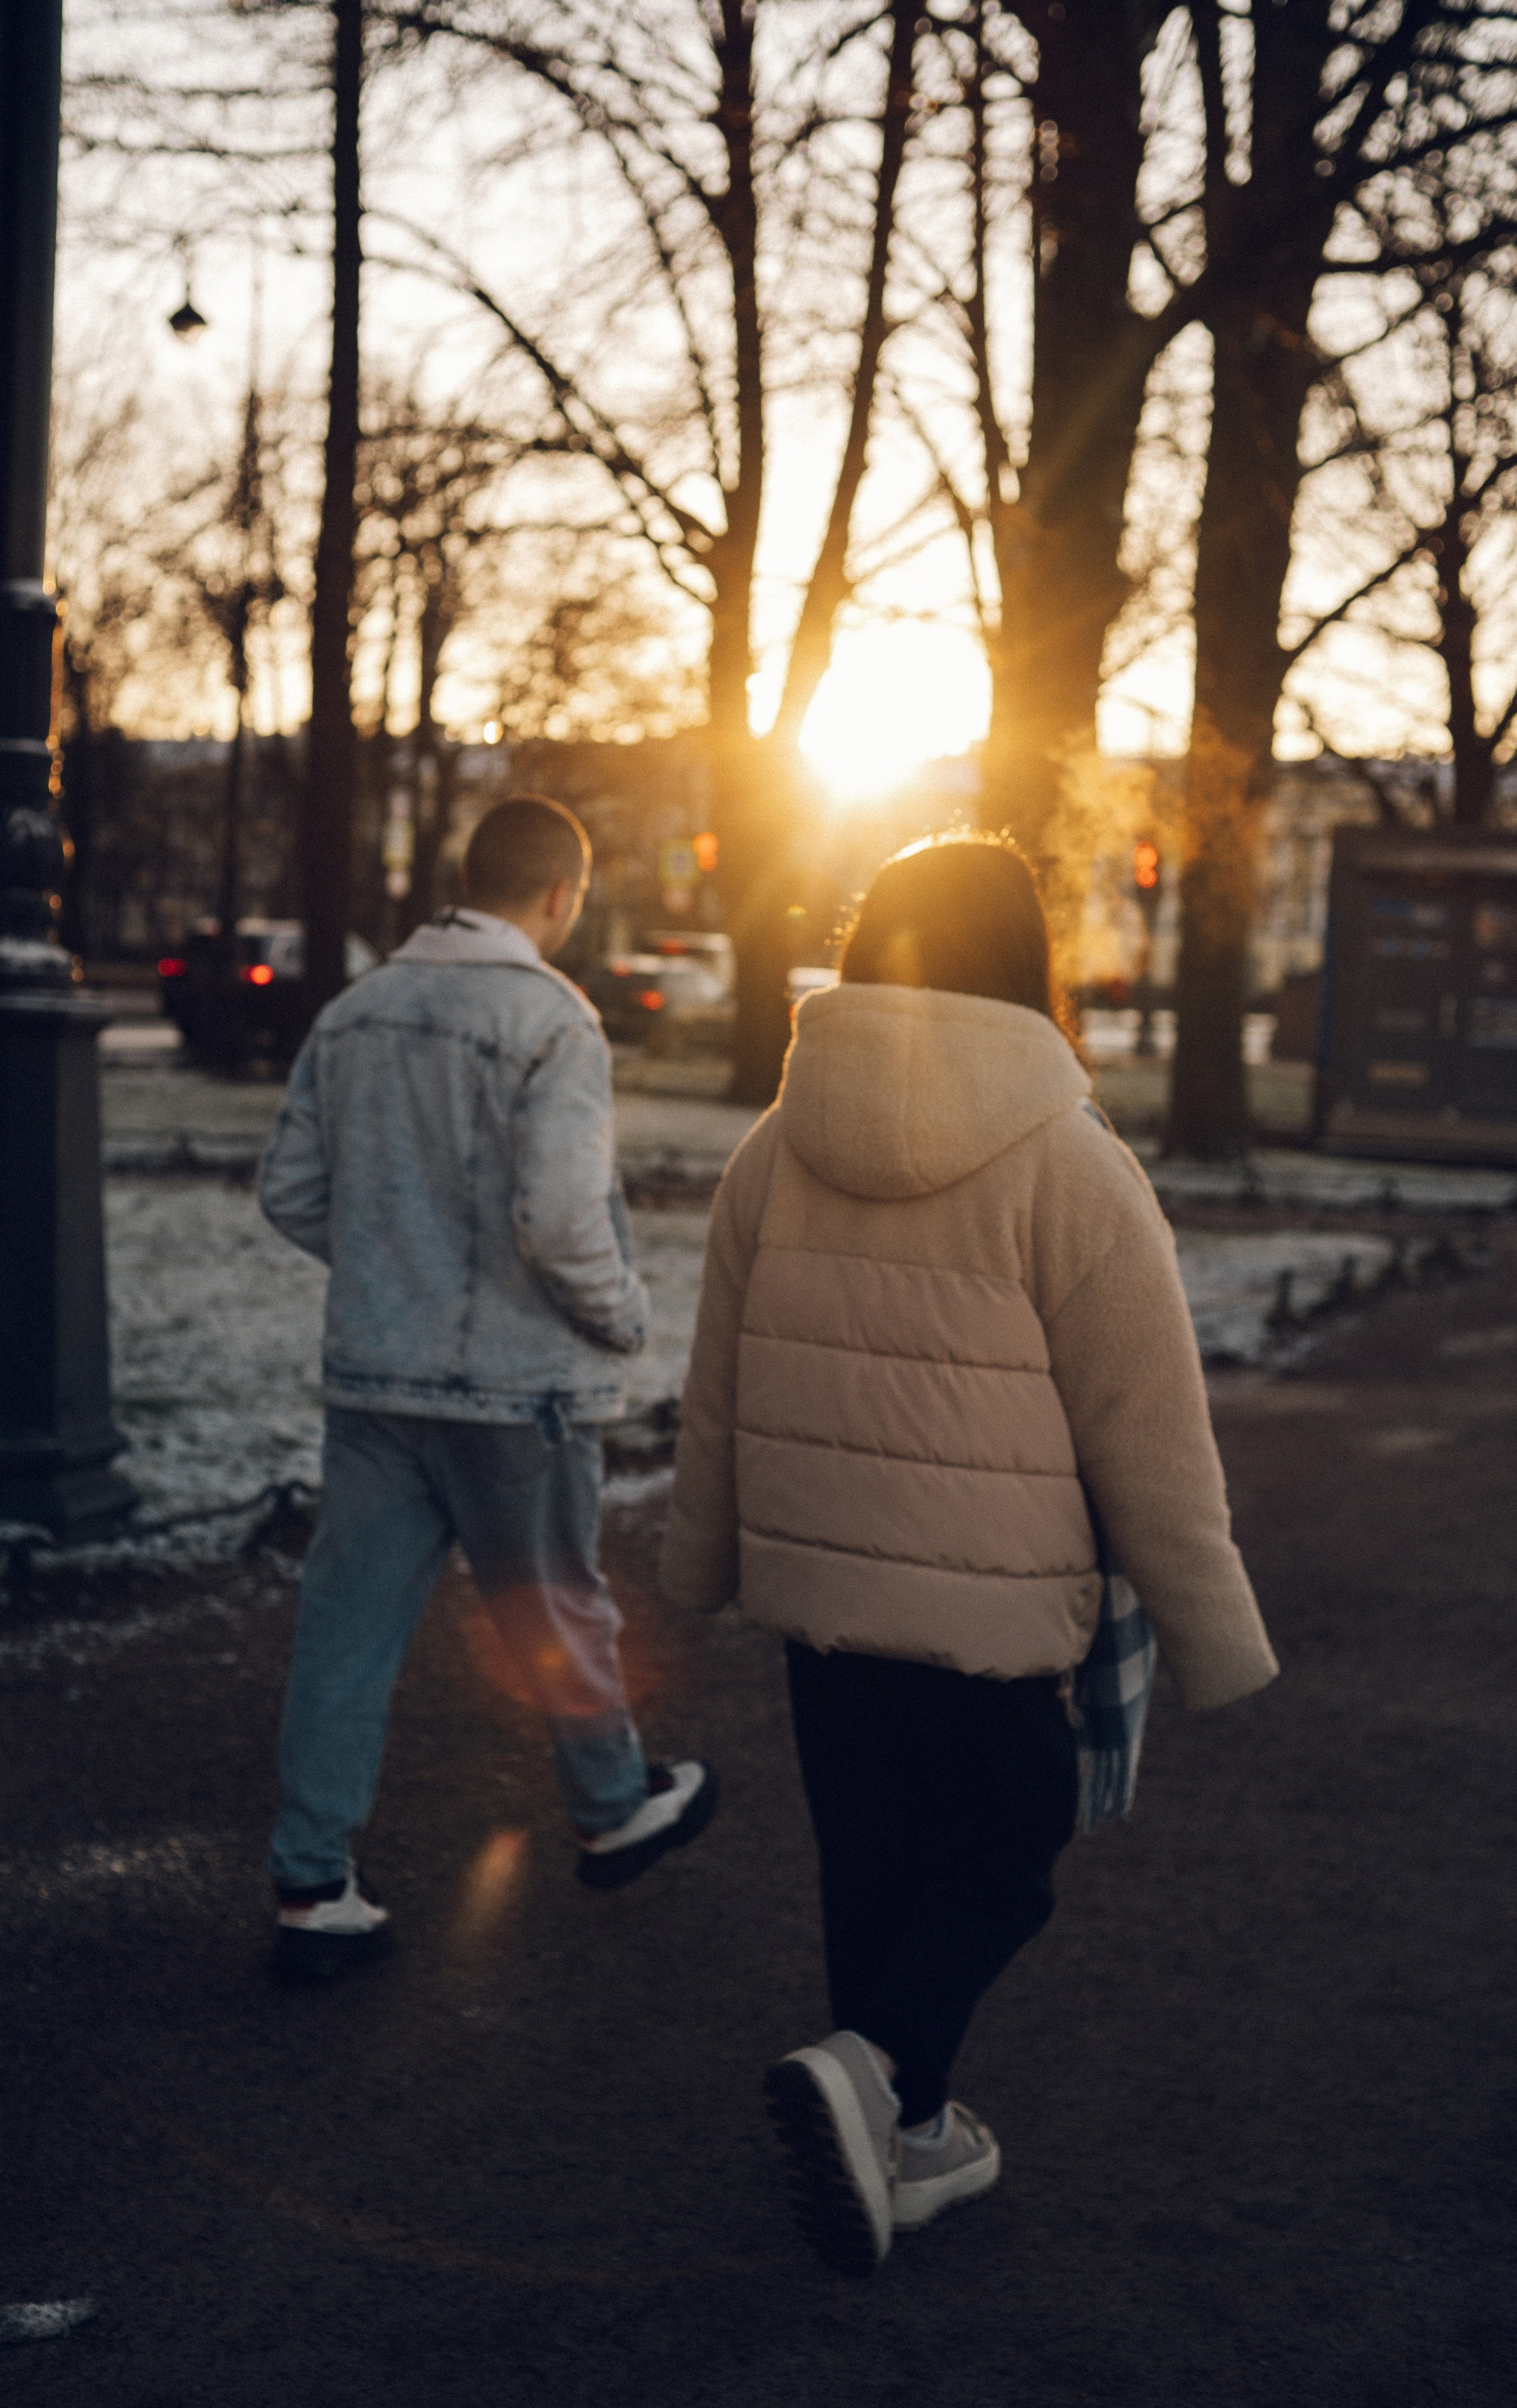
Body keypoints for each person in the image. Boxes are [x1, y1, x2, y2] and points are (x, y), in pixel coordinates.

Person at [660, 832, 1276, 2274]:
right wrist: (1216, 1637)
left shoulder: (773, 1148)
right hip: (987, 1613)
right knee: (1006, 1852)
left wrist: (700, 1562)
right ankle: (874, 2070)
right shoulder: (1069, 1164)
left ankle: (903, 2138)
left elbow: (715, 1386)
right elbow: (1147, 1435)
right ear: (1024, 961)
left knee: (868, 1863)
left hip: (819, 1599)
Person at [258, 794, 716, 1986]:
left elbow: (290, 1190)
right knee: (558, 1609)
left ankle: (312, 1881)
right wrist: (623, 1317)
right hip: (520, 1391)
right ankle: (611, 1805)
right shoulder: (553, 1021)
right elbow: (561, 1220)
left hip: (377, 1380)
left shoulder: (355, 1012)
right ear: (562, 895)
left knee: (345, 1633)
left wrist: (390, 1268)